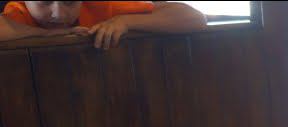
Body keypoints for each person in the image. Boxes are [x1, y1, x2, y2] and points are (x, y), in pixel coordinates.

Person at [0, 1, 206, 47]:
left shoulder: (100, 6)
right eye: (44, 2)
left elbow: (194, 18)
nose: (58, 13)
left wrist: (126, 21)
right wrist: (44, 35)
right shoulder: (18, 11)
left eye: (70, 2)